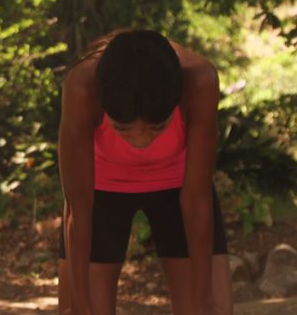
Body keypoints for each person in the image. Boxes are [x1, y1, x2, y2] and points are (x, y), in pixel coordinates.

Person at [57, 29, 232, 315]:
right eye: (123, 128)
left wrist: (203, 301)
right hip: (100, 188)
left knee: (213, 310)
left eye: (156, 128)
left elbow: (196, 197)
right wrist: (81, 304)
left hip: (178, 186)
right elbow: (79, 207)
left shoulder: (199, 81)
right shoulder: (81, 87)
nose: (140, 140)